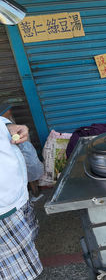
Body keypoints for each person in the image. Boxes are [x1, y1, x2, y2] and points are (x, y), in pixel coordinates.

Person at [0, 117, 43, 279]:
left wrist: (9, 126)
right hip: (3, 208)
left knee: (24, 260)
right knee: (14, 272)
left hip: (16, 196)